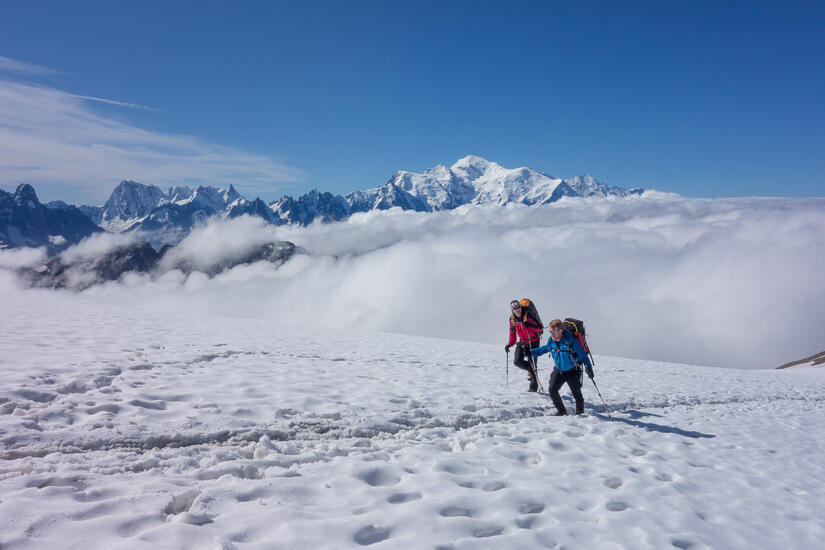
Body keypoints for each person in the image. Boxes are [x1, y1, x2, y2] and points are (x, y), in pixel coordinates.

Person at [531, 318, 594, 415]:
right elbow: (545, 349)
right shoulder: (551, 340)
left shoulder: (571, 340)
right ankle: (561, 411)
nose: (551, 334)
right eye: (550, 331)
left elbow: (583, 355)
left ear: (560, 331)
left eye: (553, 332)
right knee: (552, 390)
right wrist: (531, 352)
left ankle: (580, 412)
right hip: (559, 370)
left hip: (572, 371)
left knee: (576, 393)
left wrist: (588, 368)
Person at [504, 299, 543, 392]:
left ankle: (533, 387)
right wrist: (510, 344)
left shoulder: (528, 315)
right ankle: (531, 370)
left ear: (520, 307)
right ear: (512, 310)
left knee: (533, 364)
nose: (517, 310)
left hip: (533, 341)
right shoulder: (512, 319)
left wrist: (529, 325)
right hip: (522, 342)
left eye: (518, 307)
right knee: (517, 361)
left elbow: (540, 329)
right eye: (515, 308)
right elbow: (512, 333)